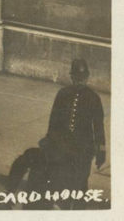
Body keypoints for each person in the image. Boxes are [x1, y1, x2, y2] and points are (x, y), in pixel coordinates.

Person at [44, 58, 106, 197]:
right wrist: (50, 144)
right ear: (71, 77)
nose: (79, 81)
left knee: (80, 184)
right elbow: (53, 122)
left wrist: (101, 152)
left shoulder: (93, 98)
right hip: (63, 147)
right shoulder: (62, 94)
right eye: (77, 78)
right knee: (61, 183)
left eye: (82, 78)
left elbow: (98, 127)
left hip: (83, 149)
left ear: (87, 77)